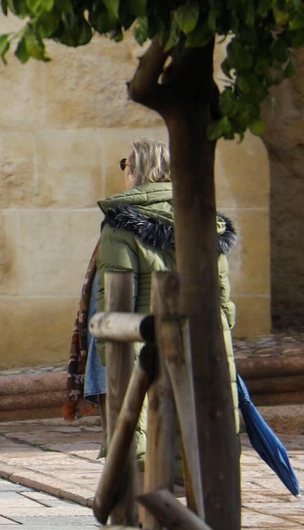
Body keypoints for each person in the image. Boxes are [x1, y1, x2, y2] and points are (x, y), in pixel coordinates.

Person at [77, 137, 239, 456]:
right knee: (200, 452)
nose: (124, 171)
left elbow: (114, 305)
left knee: (139, 457)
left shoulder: (121, 225)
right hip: (203, 345)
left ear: (136, 172)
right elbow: (223, 301)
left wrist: (110, 360)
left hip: (143, 350)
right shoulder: (206, 221)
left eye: (125, 165)